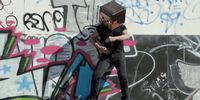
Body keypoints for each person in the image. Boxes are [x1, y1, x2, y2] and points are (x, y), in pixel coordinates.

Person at [88, 1, 130, 100]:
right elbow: (92, 38)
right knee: (96, 76)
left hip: (119, 55)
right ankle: (93, 98)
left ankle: (126, 97)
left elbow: (126, 35)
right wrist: (99, 47)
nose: (103, 19)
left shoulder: (121, 27)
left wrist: (113, 39)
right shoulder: (101, 28)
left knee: (123, 77)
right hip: (106, 56)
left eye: (106, 18)